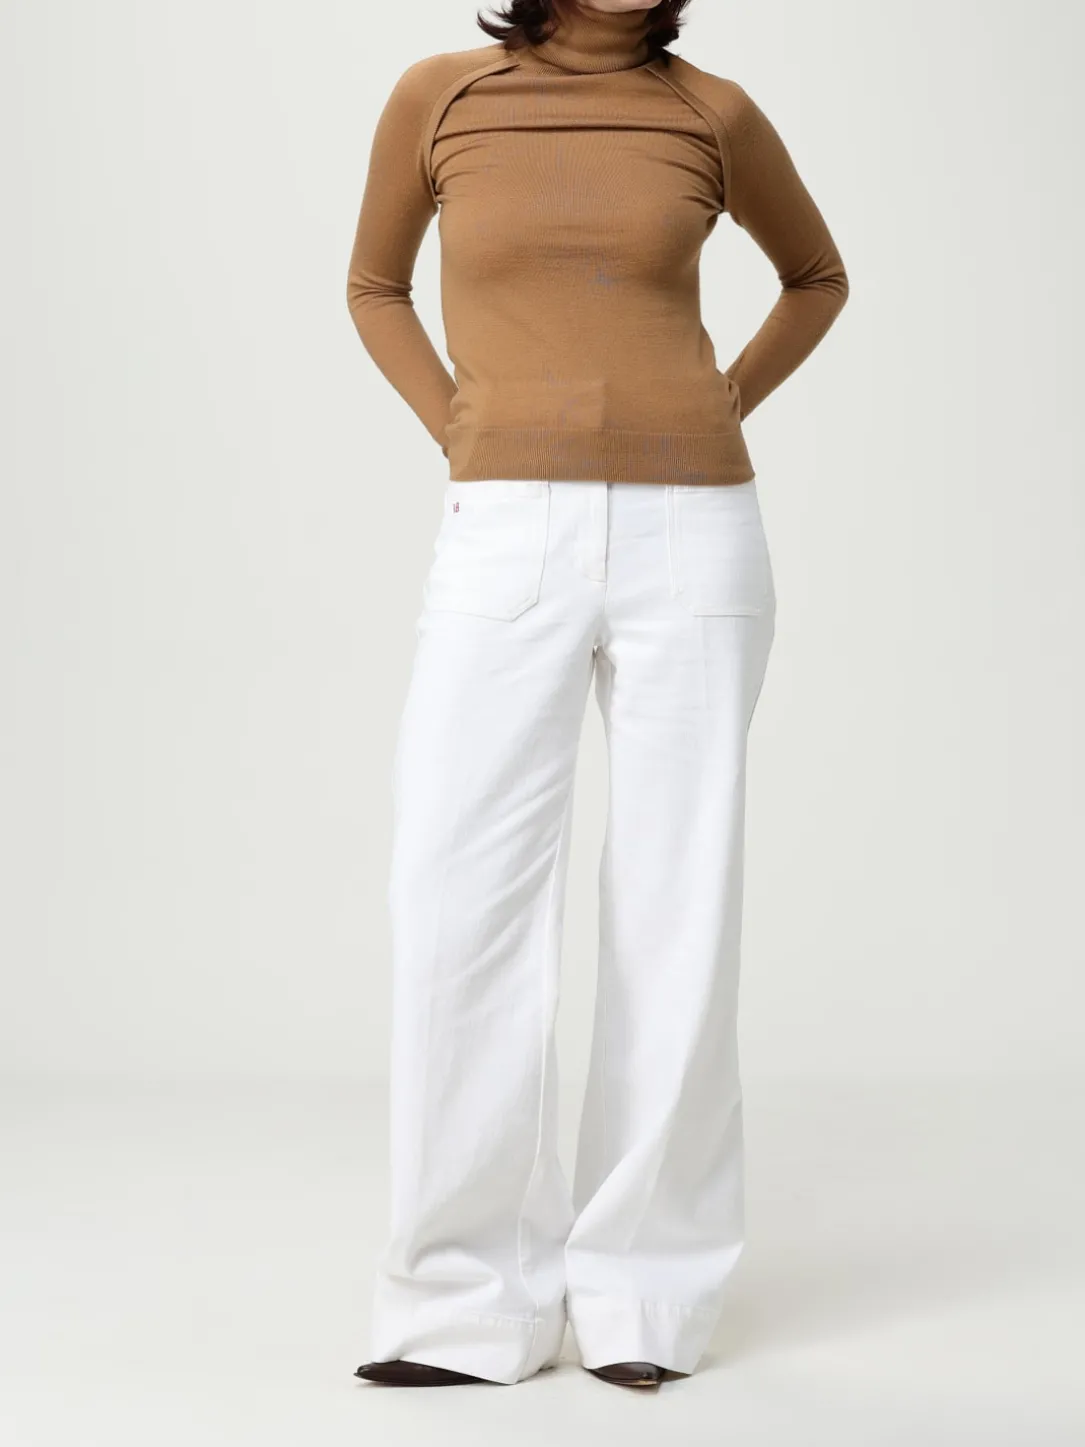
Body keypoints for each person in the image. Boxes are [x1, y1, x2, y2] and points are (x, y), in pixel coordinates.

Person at [346, 0, 848, 1392]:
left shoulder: (712, 111)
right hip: (504, 529)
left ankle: (644, 1301)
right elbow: (374, 285)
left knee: (676, 901)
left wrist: (723, 398)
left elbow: (815, 276)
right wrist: (459, 421)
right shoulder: (441, 96)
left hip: (697, 533)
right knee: (456, 895)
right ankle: (460, 1305)